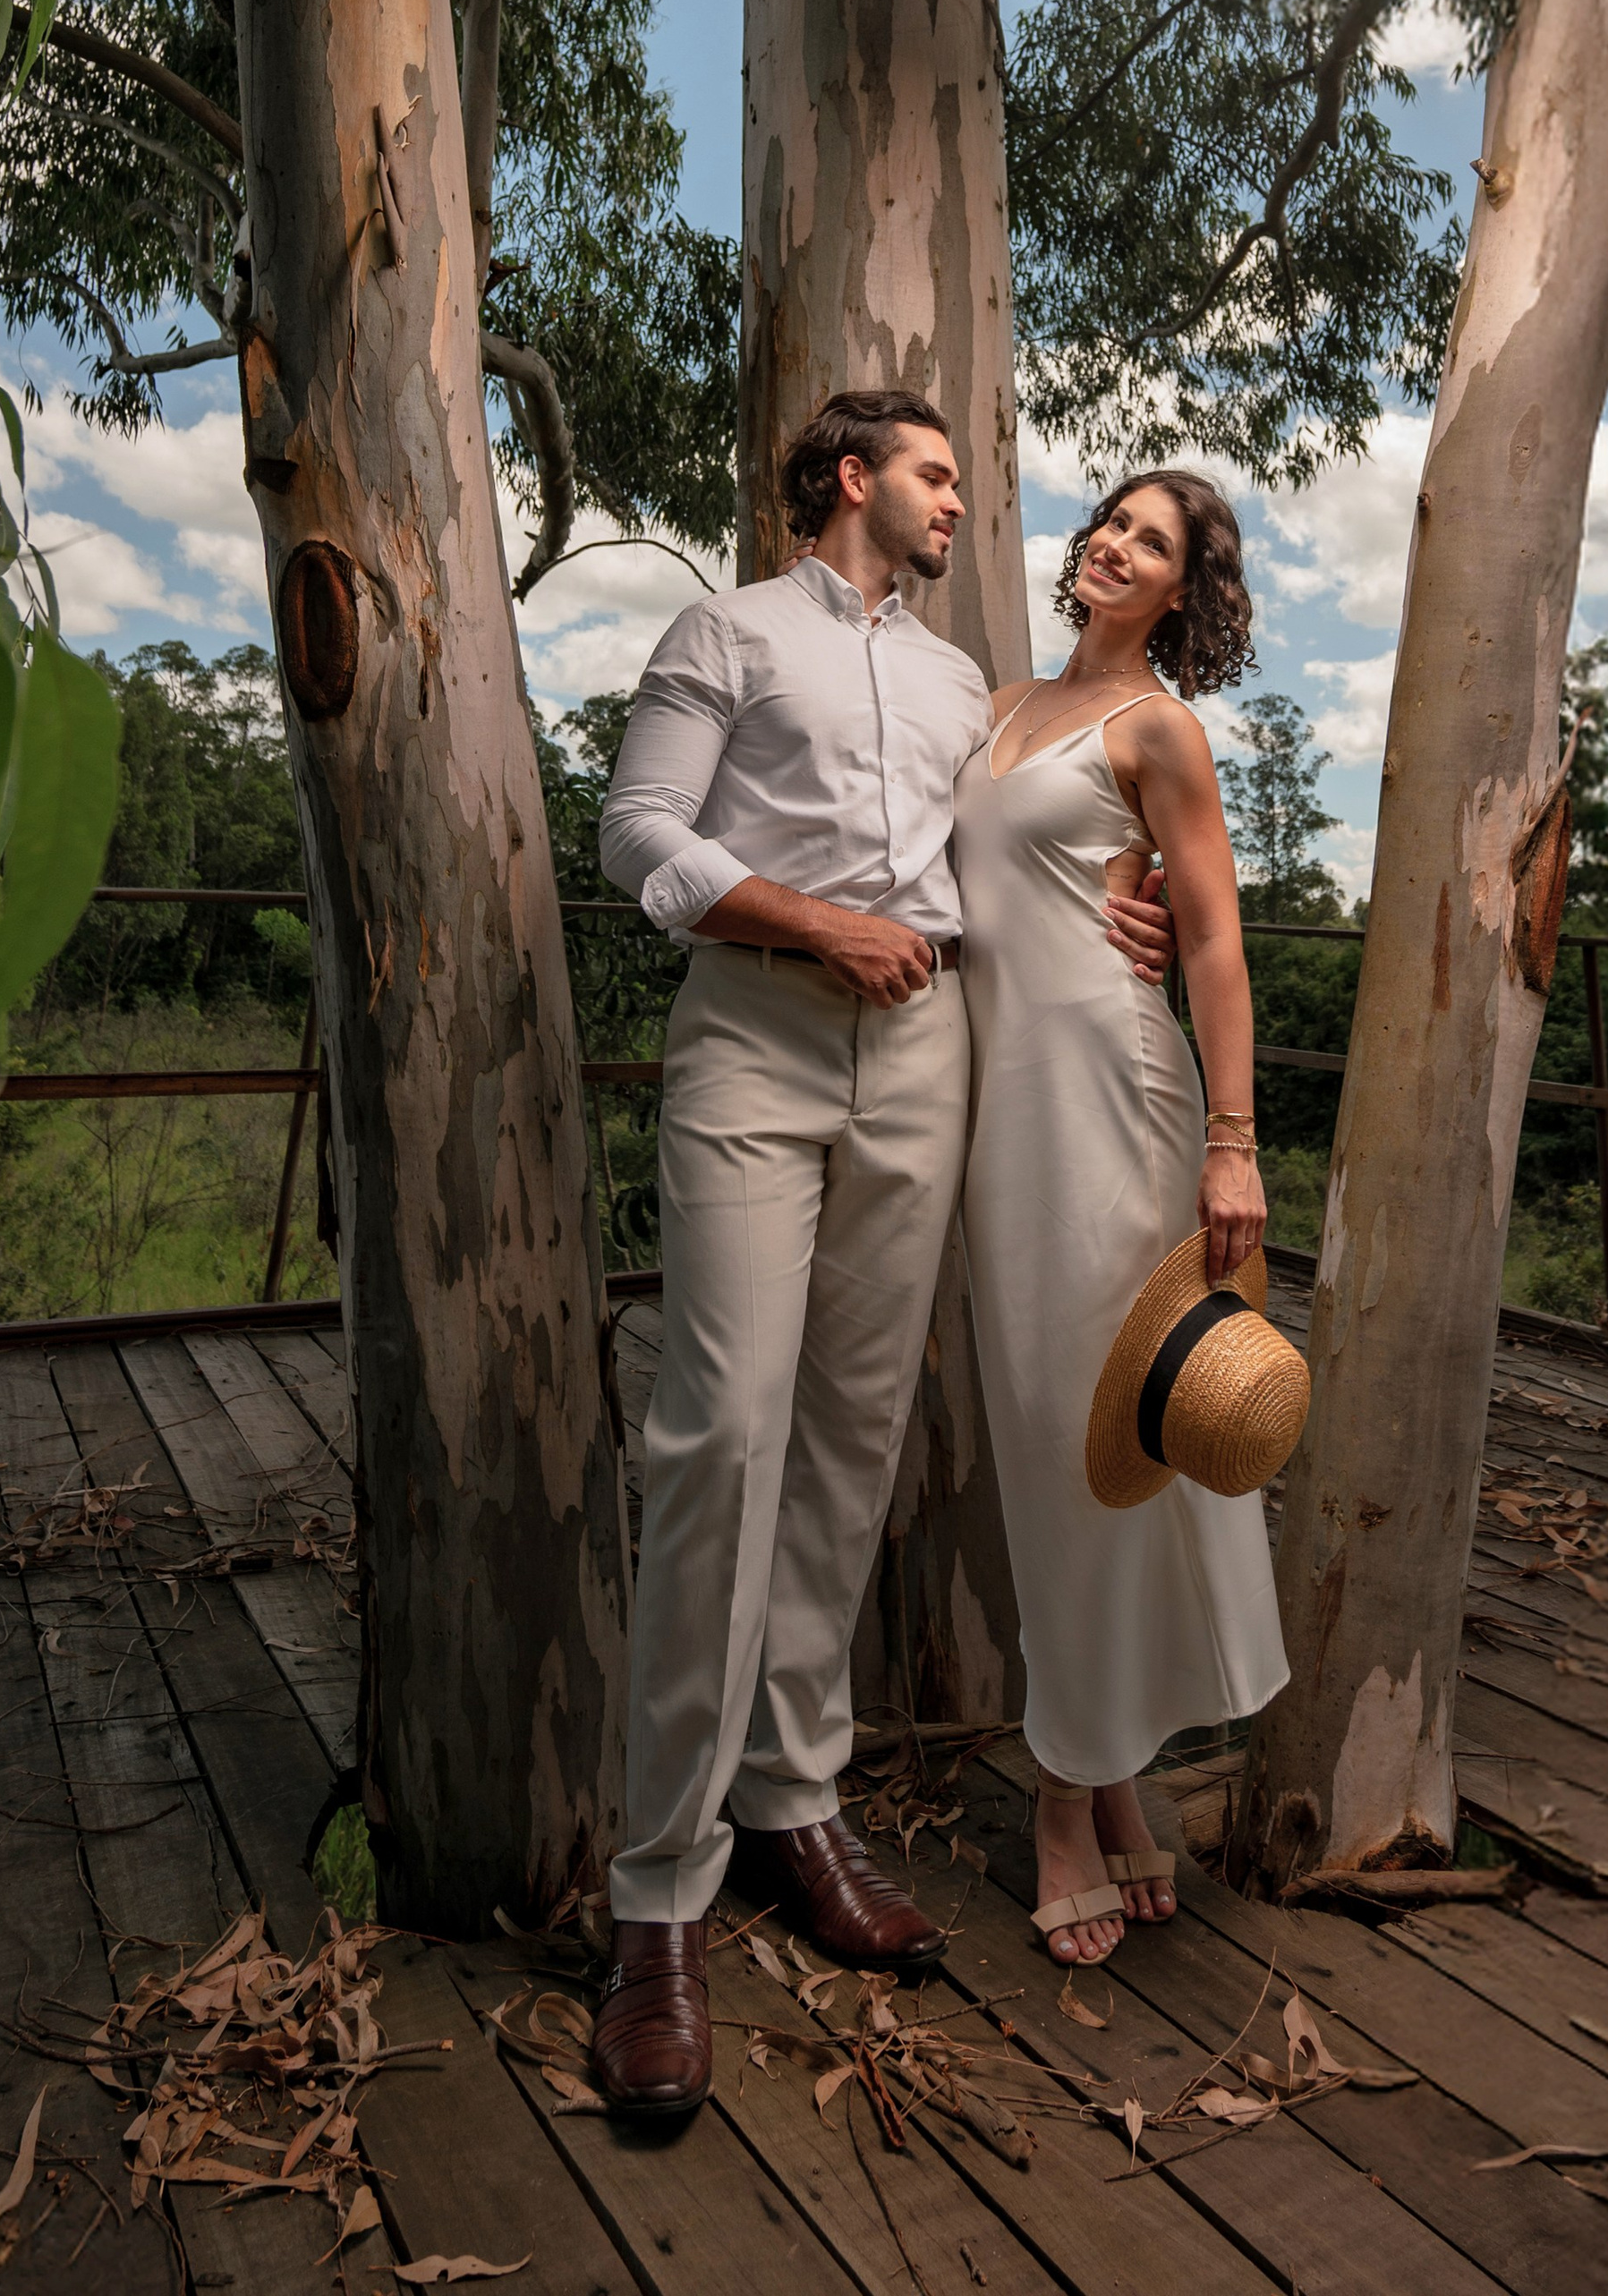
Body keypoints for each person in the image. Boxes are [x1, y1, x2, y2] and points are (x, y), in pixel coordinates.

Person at [591, 388, 1170, 2118]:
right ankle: (659, 1896)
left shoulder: (961, 682)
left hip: (927, 1057)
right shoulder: (726, 631)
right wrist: (819, 923)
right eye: (936, 473)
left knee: (852, 1441)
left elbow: (1026, 840)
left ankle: (792, 1804)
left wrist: (1128, 897)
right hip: (755, 1037)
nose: (958, 501)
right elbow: (639, 836)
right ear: (853, 478)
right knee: (723, 1435)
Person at [956, 469, 1289, 1965]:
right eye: (1112, 521)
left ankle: (1065, 1793)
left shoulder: (1160, 728)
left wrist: (1234, 1143)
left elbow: (1209, 939)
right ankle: (1112, 1774)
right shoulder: (999, 708)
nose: (1115, 543)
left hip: (1115, 1087)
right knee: (1047, 1434)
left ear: (1179, 590)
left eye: (1152, 541)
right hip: (999, 1103)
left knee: (1109, 1438)